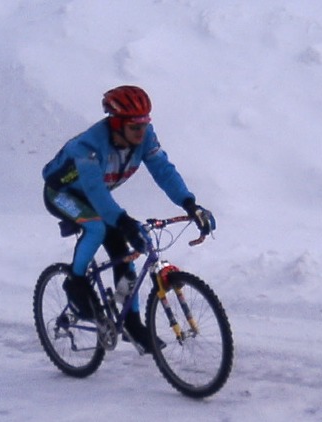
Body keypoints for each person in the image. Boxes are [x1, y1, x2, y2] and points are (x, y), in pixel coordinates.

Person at [41, 85, 215, 353]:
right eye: (135, 127)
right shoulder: (87, 147)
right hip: (61, 194)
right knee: (97, 228)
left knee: (123, 251)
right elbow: (96, 194)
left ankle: (132, 324)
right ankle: (74, 283)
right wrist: (122, 221)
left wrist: (190, 204)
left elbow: (164, 171)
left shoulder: (144, 138)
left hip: (95, 196)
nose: (141, 132)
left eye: (145, 125)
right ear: (116, 124)